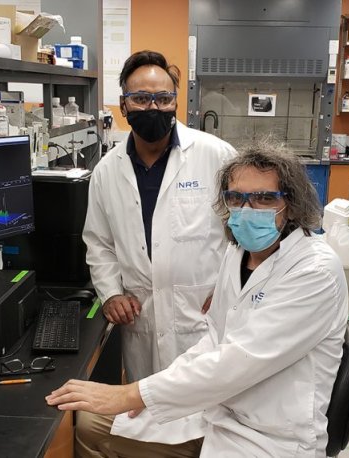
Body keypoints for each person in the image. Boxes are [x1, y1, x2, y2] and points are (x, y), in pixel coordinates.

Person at [49, 144, 348, 457]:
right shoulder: (238, 255)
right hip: (218, 412)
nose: (246, 210)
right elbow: (213, 339)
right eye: (236, 198)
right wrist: (152, 394)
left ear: (291, 204)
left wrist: (132, 394)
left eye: (264, 198)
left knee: (113, 412)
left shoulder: (314, 271)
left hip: (269, 436)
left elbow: (239, 361)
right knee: (89, 425)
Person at [79, 50, 237, 456]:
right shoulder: (106, 171)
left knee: (207, 426)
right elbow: (98, 241)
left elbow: (244, 234)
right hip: (143, 318)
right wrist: (111, 293)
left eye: (164, 98)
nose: (154, 107)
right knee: (148, 423)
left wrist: (229, 287)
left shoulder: (215, 156)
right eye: (142, 99)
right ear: (123, 105)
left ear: (176, 101)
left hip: (202, 318)